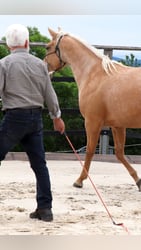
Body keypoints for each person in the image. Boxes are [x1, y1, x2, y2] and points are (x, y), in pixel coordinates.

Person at [0, 24, 65, 222]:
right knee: (39, 165)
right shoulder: (40, 64)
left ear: (9, 44)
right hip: (35, 119)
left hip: (14, 119)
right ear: (27, 42)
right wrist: (57, 117)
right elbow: (49, 94)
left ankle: (44, 208)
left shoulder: (4, 64)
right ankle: (45, 209)